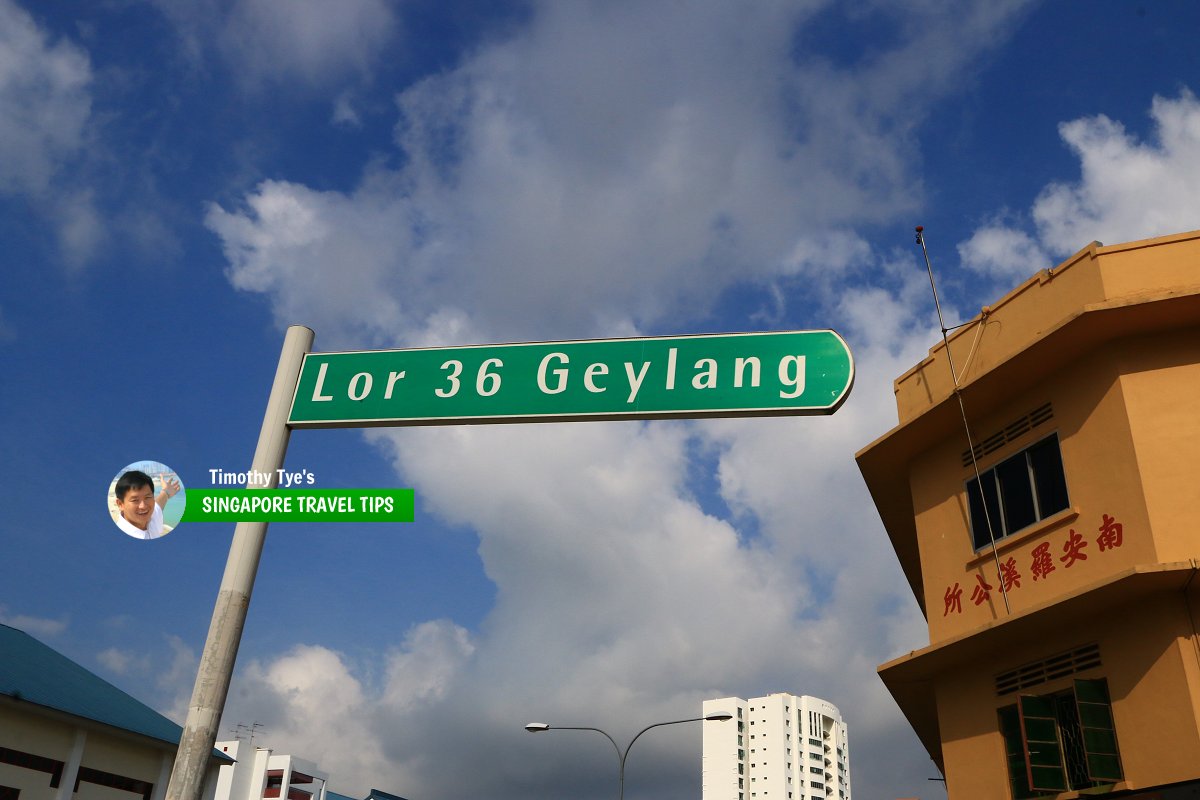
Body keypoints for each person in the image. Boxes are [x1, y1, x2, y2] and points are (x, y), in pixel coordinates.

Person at [113, 470, 180, 540]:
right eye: (135, 500)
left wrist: (166, 492)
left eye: (147, 497)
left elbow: (158, 504)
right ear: (120, 504)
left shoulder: (152, 517)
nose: (143, 506)